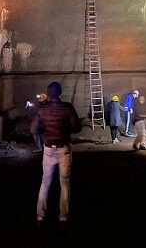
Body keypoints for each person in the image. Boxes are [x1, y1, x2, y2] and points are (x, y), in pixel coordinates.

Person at [31, 81, 82, 229]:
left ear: (48, 93)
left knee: (45, 182)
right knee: (64, 184)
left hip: (48, 150)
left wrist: (45, 132)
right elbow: (76, 128)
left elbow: (34, 130)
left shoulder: (42, 109)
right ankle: (63, 218)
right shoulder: (67, 108)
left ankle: (40, 216)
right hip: (64, 149)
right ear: (60, 93)